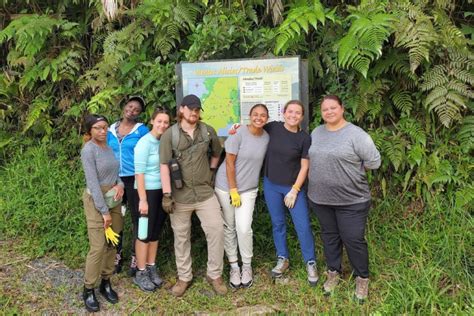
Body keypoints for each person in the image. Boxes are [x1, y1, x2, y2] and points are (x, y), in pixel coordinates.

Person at [307, 95, 381, 301]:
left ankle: (362, 278)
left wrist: (352, 170)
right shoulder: (317, 132)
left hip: (352, 200)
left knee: (353, 239)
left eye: (333, 108)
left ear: (342, 108)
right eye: (325, 109)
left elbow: (374, 161)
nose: (329, 112)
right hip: (320, 199)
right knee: (329, 237)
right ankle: (333, 273)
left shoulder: (356, 134)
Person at [159, 94, 227, 297]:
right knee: (181, 237)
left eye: (197, 110)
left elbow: (216, 153)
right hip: (179, 196)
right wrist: (167, 194)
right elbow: (164, 166)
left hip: (205, 193)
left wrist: (212, 172)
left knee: (216, 231)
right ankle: (184, 277)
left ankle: (214, 275)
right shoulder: (169, 135)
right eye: (190, 109)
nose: (194, 113)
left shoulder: (208, 131)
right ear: (181, 109)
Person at [262, 100, 318, 286]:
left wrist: (294, 190)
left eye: (297, 113)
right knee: (278, 224)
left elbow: (305, 167)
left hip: (294, 188)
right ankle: (282, 258)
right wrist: (237, 129)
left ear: (302, 116)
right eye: (290, 111)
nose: (293, 115)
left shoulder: (304, 138)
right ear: (284, 113)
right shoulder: (273, 128)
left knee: (303, 226)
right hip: (271, 185)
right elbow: (253, 131)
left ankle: (310, 261)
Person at [214, 104, 270, 289]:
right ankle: (233, 266)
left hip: (248, 189)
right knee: (229, 227)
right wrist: (233, 190)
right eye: (255, 114)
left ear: (267, 119)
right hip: (226, 187)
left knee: (244, 228)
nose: (259, 118)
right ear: (249, 116)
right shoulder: (238, 134)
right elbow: (229, 164)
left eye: (263, 115)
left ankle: (247, 266)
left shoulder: (266, 138)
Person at [81, 115, 124, 312]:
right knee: (98, 247)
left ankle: (105, 281)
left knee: (112, 242)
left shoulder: (108, 148)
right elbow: (93, 183)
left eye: (105, 127)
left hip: (113, 199)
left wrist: (121, 185)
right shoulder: (89, 150)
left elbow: (116, 173)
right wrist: (104, 212)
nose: (102, 131)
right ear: (90, 131)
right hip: (97, 202)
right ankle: (88, 288)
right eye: (98, 128)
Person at [107, 96, 149, 275]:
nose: (131, 111)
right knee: (116, 217)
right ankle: (116, 255)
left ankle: (135, 256)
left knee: (137, 218)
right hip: (114, 180)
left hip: (134, 179)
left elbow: (149, 150)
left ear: (139, 114)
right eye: (130, 106)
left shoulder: (141, 130)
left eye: (136, 110)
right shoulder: (110, 129)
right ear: (125, 106)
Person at [132, 107, 171, 292]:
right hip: (144, 193)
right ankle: (140, 272)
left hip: (160, 192)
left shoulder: (163, 141)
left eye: (166, 122)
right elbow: (139, 173)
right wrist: (143, 200)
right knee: (143, 234)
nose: (162, 125)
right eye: (159, 121)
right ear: (152, 121)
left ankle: (151, 266)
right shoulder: (144, 143)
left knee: (155, 232)